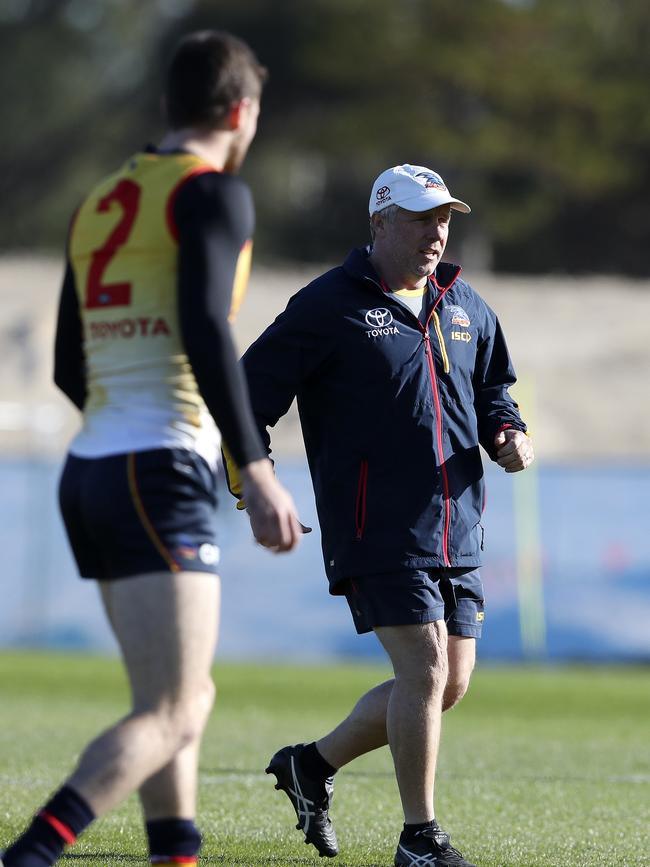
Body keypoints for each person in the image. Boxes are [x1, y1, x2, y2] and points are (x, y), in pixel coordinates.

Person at [1, 30, 303, 867]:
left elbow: (70, 361)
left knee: (174, 698)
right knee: (174, 707)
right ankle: (29, 855)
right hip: (157, 465)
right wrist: (255, 467)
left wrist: (123, 423)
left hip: (94, 462)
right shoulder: (214, 194)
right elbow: (208, 327)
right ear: (241, 113)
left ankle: (176, 852)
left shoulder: (100, 197)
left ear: (169, 106)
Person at [224, 164, 534, 867]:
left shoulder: (467, 306)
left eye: (445, 218)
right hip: (375, 527)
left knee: (447, 683)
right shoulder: (327, 305)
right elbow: (244, 398)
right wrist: (257, 481)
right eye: (423, 218)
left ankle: (311, 765)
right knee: (423, 668)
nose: (438, 232)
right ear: (380, 224)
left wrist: (507, 432)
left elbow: (494, 390)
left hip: (458, 524)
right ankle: (419, 836)